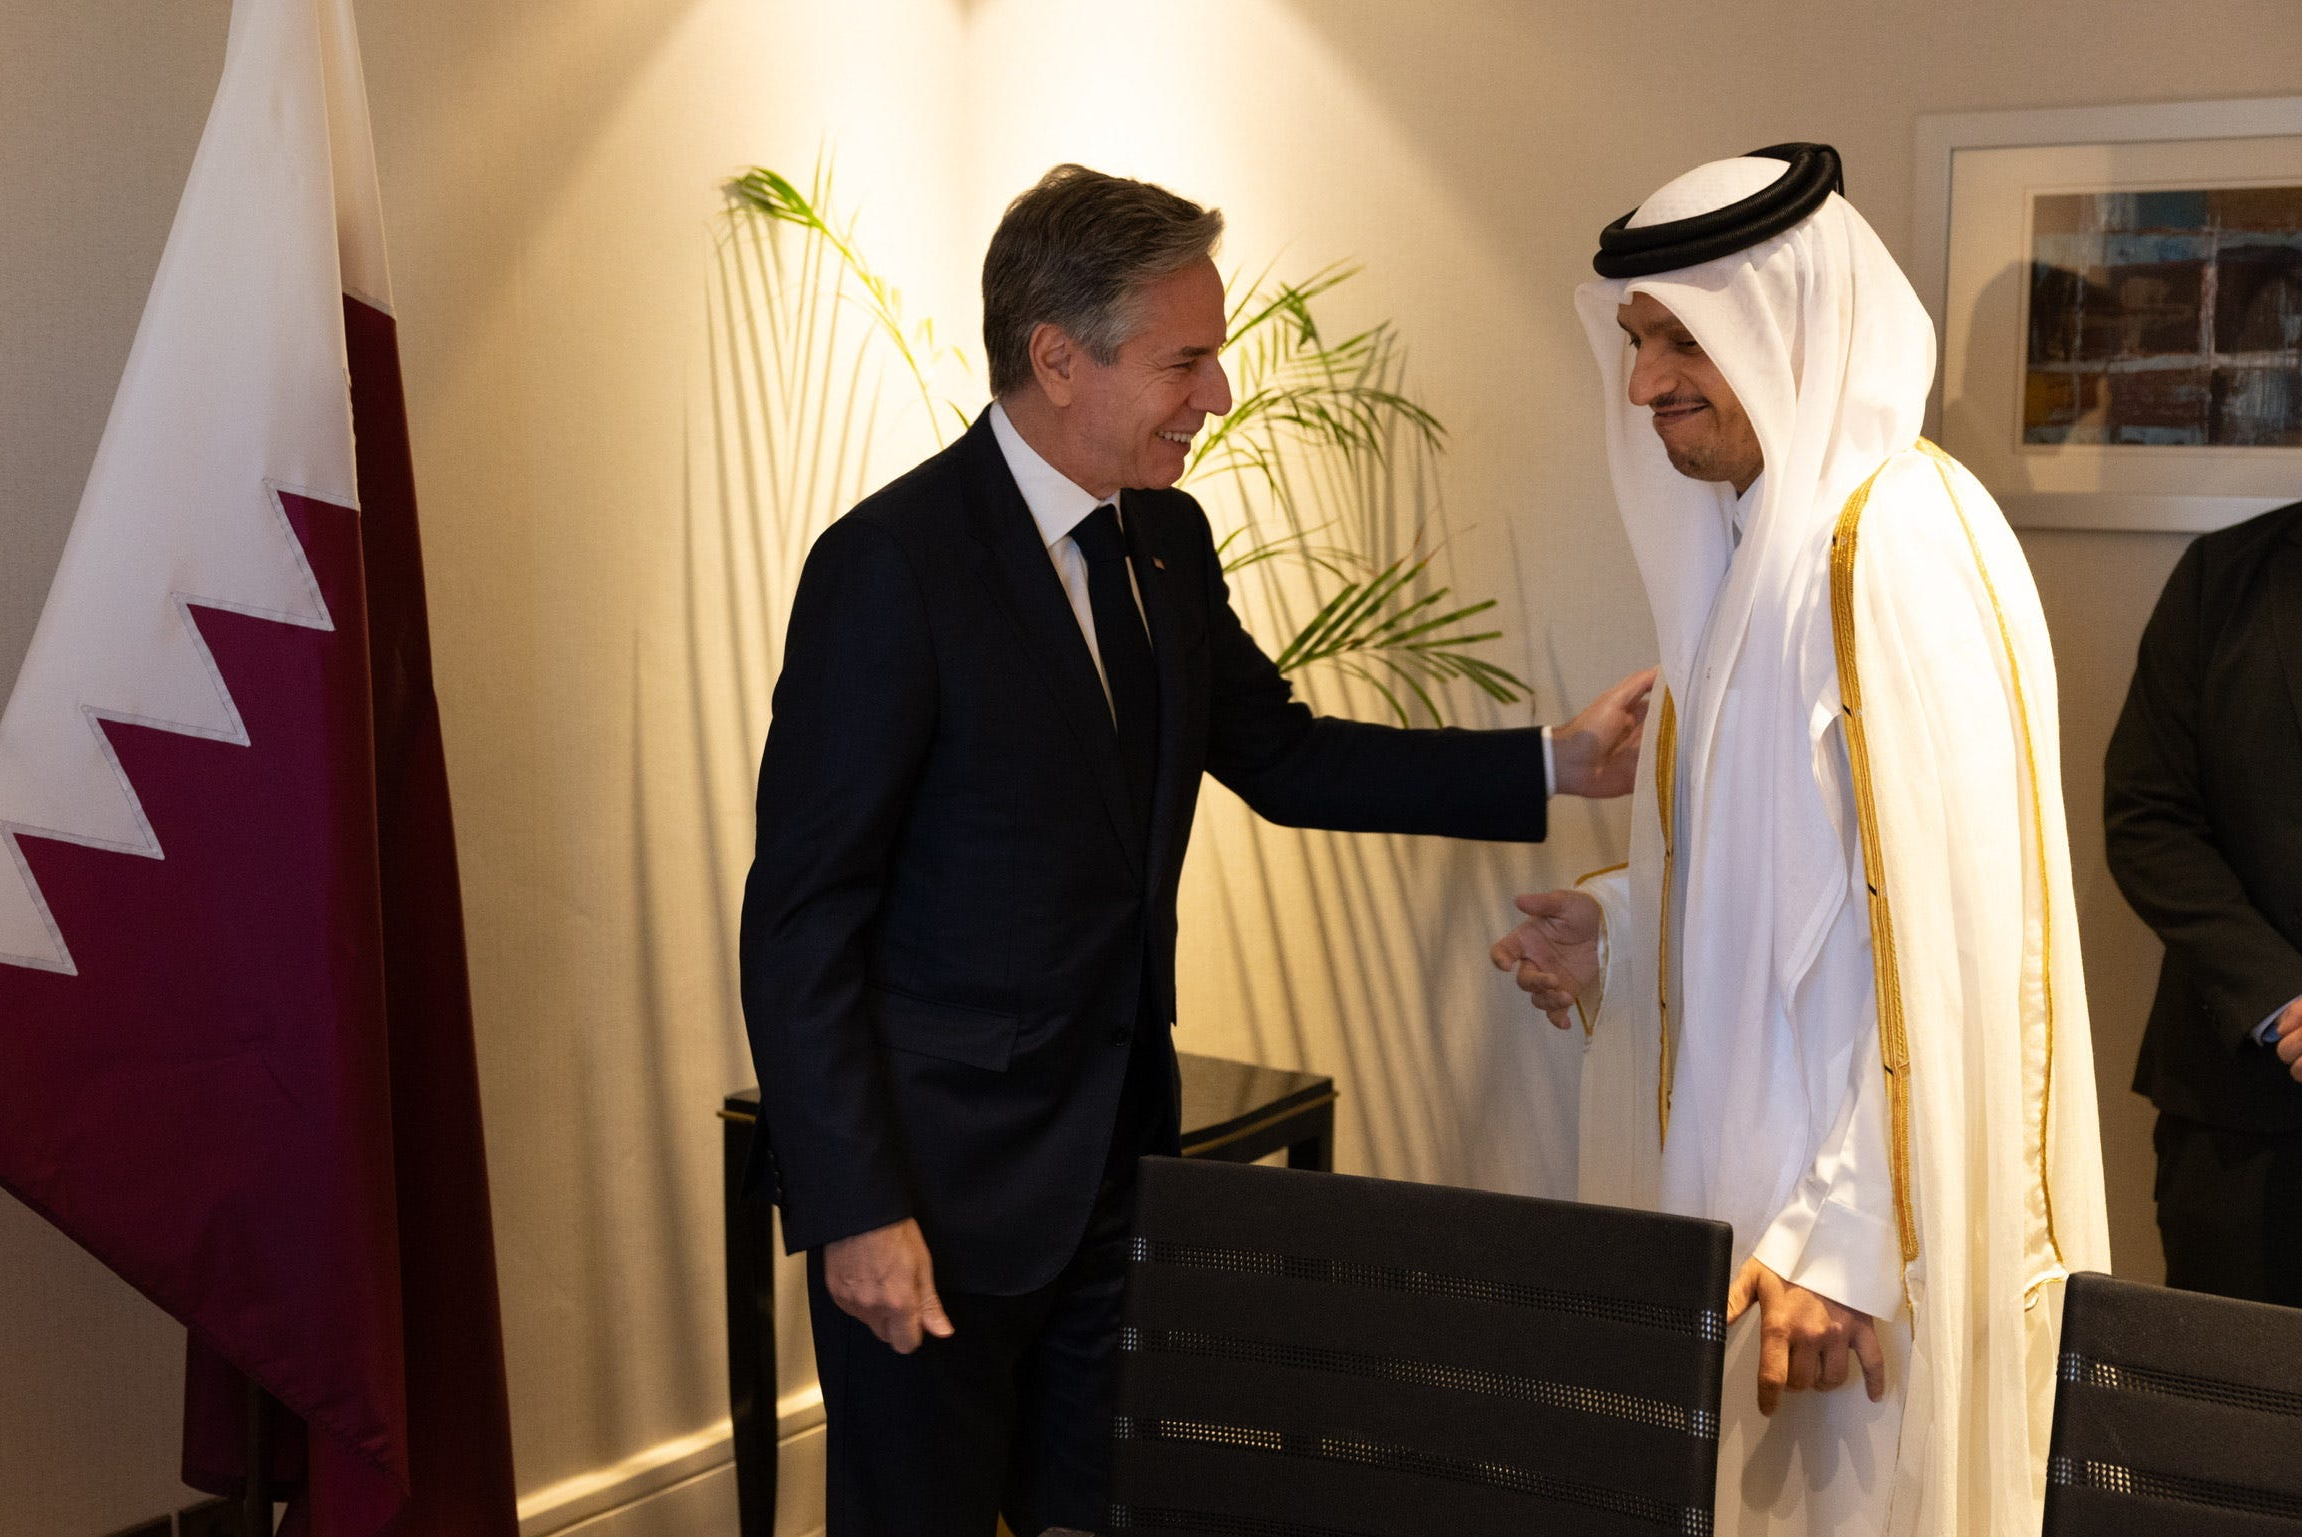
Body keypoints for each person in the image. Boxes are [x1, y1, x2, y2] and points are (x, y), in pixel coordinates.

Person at [740, 163, 1654, 1537]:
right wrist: (855, 1207)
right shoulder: (890, 566)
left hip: (1120, 1175)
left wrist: (1555, 763)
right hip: (935, 1198)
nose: (1217, 394)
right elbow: (801, 922)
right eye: (1186, 360)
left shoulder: (1166, 539)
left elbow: (1283, 757)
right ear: (1059, 358)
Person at [1491, 145, 2110, 1536]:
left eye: (1683, 340)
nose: (1644, 384)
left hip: (1848, 1260)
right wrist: (1623, 930)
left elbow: (1963, 936)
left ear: (1789, 325)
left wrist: (1847, 1238)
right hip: (1755, 1205)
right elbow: (1794, 893)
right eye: (1638, 341)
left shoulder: (1892, 545)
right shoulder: (1753, 548)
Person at [2105, 498, 2302, 1304]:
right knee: (2225, 1385)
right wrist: (2284, 998)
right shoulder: (2217, 578)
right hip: (2237, 1123)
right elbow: (2145, 816)